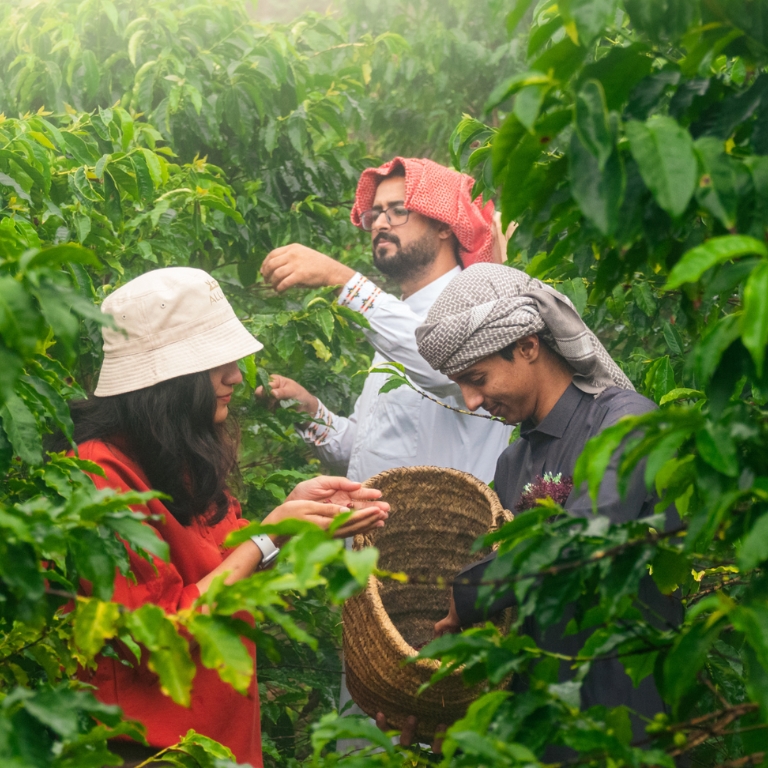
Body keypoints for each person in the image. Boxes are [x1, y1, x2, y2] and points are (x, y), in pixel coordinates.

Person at [60, 267, 389, 768]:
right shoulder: (99, 475)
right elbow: (152, 635)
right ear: (169, 378)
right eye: (216, 362)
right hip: (150, 751)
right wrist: (266, 539)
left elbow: (218, 558)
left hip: (215, 742)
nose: (235, 376)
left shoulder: (170, 452)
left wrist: (285, 524)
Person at [414, 263, 681, 745]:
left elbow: (588, 535)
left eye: (477, 378)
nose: (471, 401)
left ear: (528, 346)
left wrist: (471, 589)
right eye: (461, 385)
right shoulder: (513, 462)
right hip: (538, 730)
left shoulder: (626, 422)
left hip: (626, 722)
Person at [258, 158, 513, 485]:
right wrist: (307, 410)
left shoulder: (479, 302)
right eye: (376, 213)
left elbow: (443, 366)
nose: (380, 223)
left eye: (398, 210)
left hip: (450, 519)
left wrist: (341, 279)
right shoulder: (393, 324)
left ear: (444, 225)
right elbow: (363, 453)